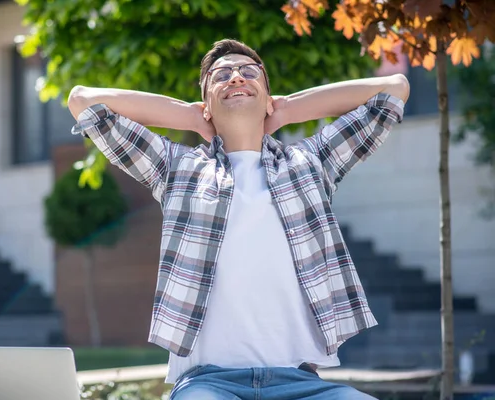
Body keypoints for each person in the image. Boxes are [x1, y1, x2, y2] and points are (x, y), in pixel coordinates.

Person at [68, 39, 409, 400]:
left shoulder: (311, 163)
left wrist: (289, 109)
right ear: (207, 103)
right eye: (222, 75)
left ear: (267, 97)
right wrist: (187, 115)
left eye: (249, 73)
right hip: (207, 383)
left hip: (301, 383)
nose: (236, 79)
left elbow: (394, 89)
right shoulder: (177, 168)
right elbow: (84, 101)